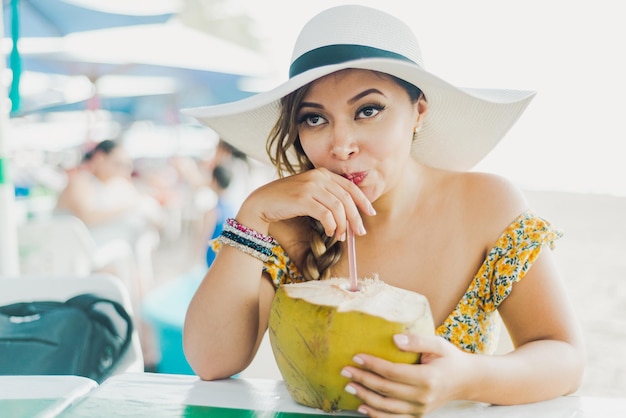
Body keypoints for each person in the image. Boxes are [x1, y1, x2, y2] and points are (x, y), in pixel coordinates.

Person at [182, 5, 585, 416]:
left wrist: (466, 377)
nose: (341, 145)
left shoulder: (487, 205)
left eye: (368, 110)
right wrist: (251, 215)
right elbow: (211, 362)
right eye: (315, 118)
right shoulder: (289, 226)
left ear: (418, 112)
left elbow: (565, 358)